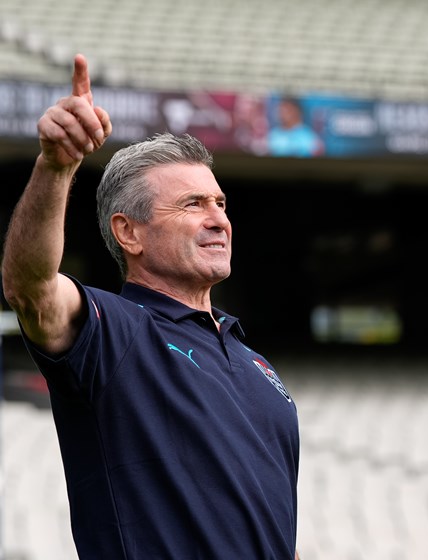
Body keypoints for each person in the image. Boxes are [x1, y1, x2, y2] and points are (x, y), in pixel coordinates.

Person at [1, 54, 301, 559]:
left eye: (220, 204)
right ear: (129, 232)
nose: (218, 220)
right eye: (192, 205)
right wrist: (56, 168)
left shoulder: (258, 365)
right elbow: (31, 286)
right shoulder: (115, 334)